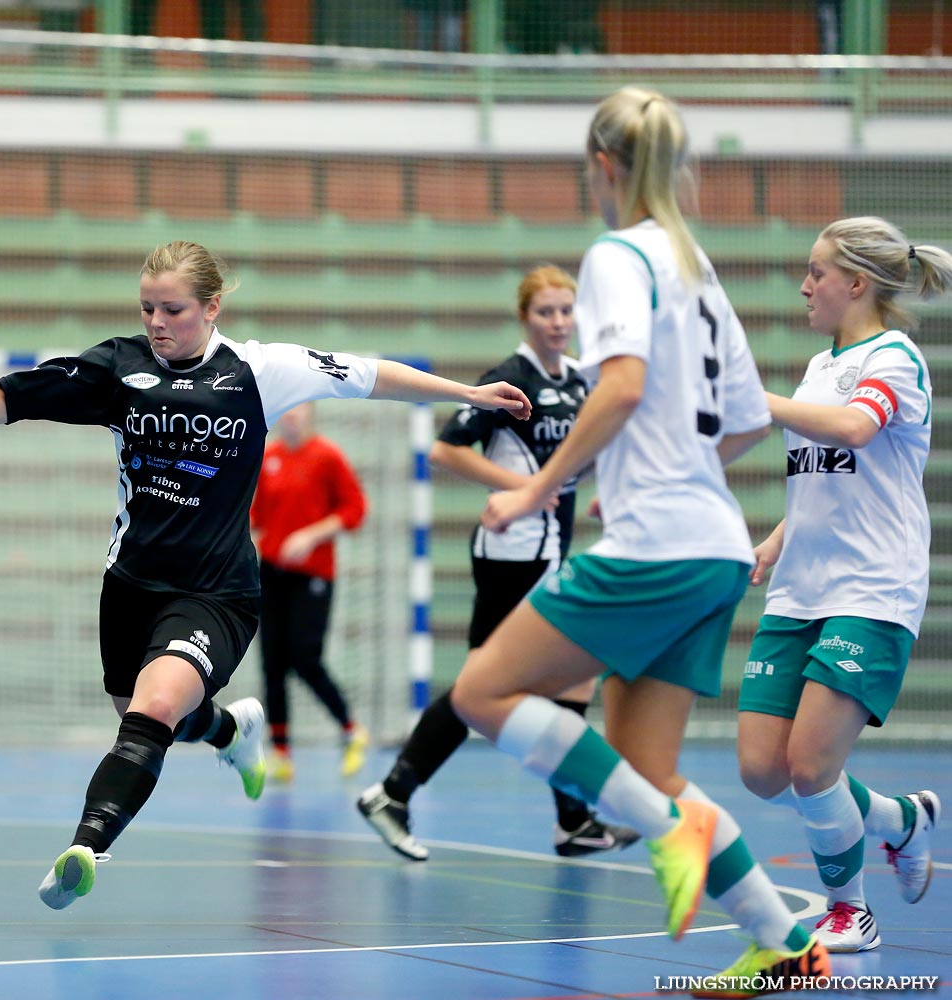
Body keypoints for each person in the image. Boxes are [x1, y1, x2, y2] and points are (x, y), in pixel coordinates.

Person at [0, 240, 532, 912]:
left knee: (154, 709)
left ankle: (86, 847)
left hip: (218, 590)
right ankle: (230, 732)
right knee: (159, 717)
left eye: (172, 309)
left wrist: (467, 393)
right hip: (130, 587)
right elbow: (21, 396)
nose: (156, 322)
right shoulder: (120, 366)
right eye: (147, 308)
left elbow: (373, 375)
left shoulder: (260, 371)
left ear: (212, 307)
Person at [448, 87, 832, 996]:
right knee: (647, 770)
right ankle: (783, 942)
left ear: (605, 166)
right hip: (712, 543)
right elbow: (742, 424)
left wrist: (541, 488)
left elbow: (619, 386)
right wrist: (673, 458)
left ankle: (672, 835)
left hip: (656, 541)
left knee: (482, 690)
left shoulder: (621, 255)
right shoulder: (698, 270)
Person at [357, 264, 638, 861]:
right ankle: (393, 792)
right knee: (485, 685)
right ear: (524, 318)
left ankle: (573, 821)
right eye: (546, 312)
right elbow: (445, 449)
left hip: (549, 548)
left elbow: (581, 454)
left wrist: (594, 488)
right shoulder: (510, 378)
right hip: (511, 553)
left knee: (570, 674)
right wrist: (524, 487)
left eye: (566, 311)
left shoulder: (580, 382)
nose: (559, 322)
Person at [735, 217, 950, 953]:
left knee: (811, 765)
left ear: (855, 283)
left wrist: (757, 401)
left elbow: (855, 432)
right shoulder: (820, 367)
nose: (804, 285)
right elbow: (823, 475)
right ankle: (902, 820)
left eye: (816, 272)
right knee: (764, 768)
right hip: (801, 589)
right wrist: (773, 539)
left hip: (871, 590)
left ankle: (848, 910)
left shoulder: (895, 359)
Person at [249, 401, 370, 782]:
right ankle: (281, 752)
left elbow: (355, 510)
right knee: (272, 662)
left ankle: (352, 729)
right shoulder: (270, 459)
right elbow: (256, 517)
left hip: (313, 574)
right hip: (271, 573)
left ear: (311, 413)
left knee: (304, 657)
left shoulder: (327, 457)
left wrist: (311, 535)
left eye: (299, 409)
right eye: (287, 409)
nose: (292, 416)